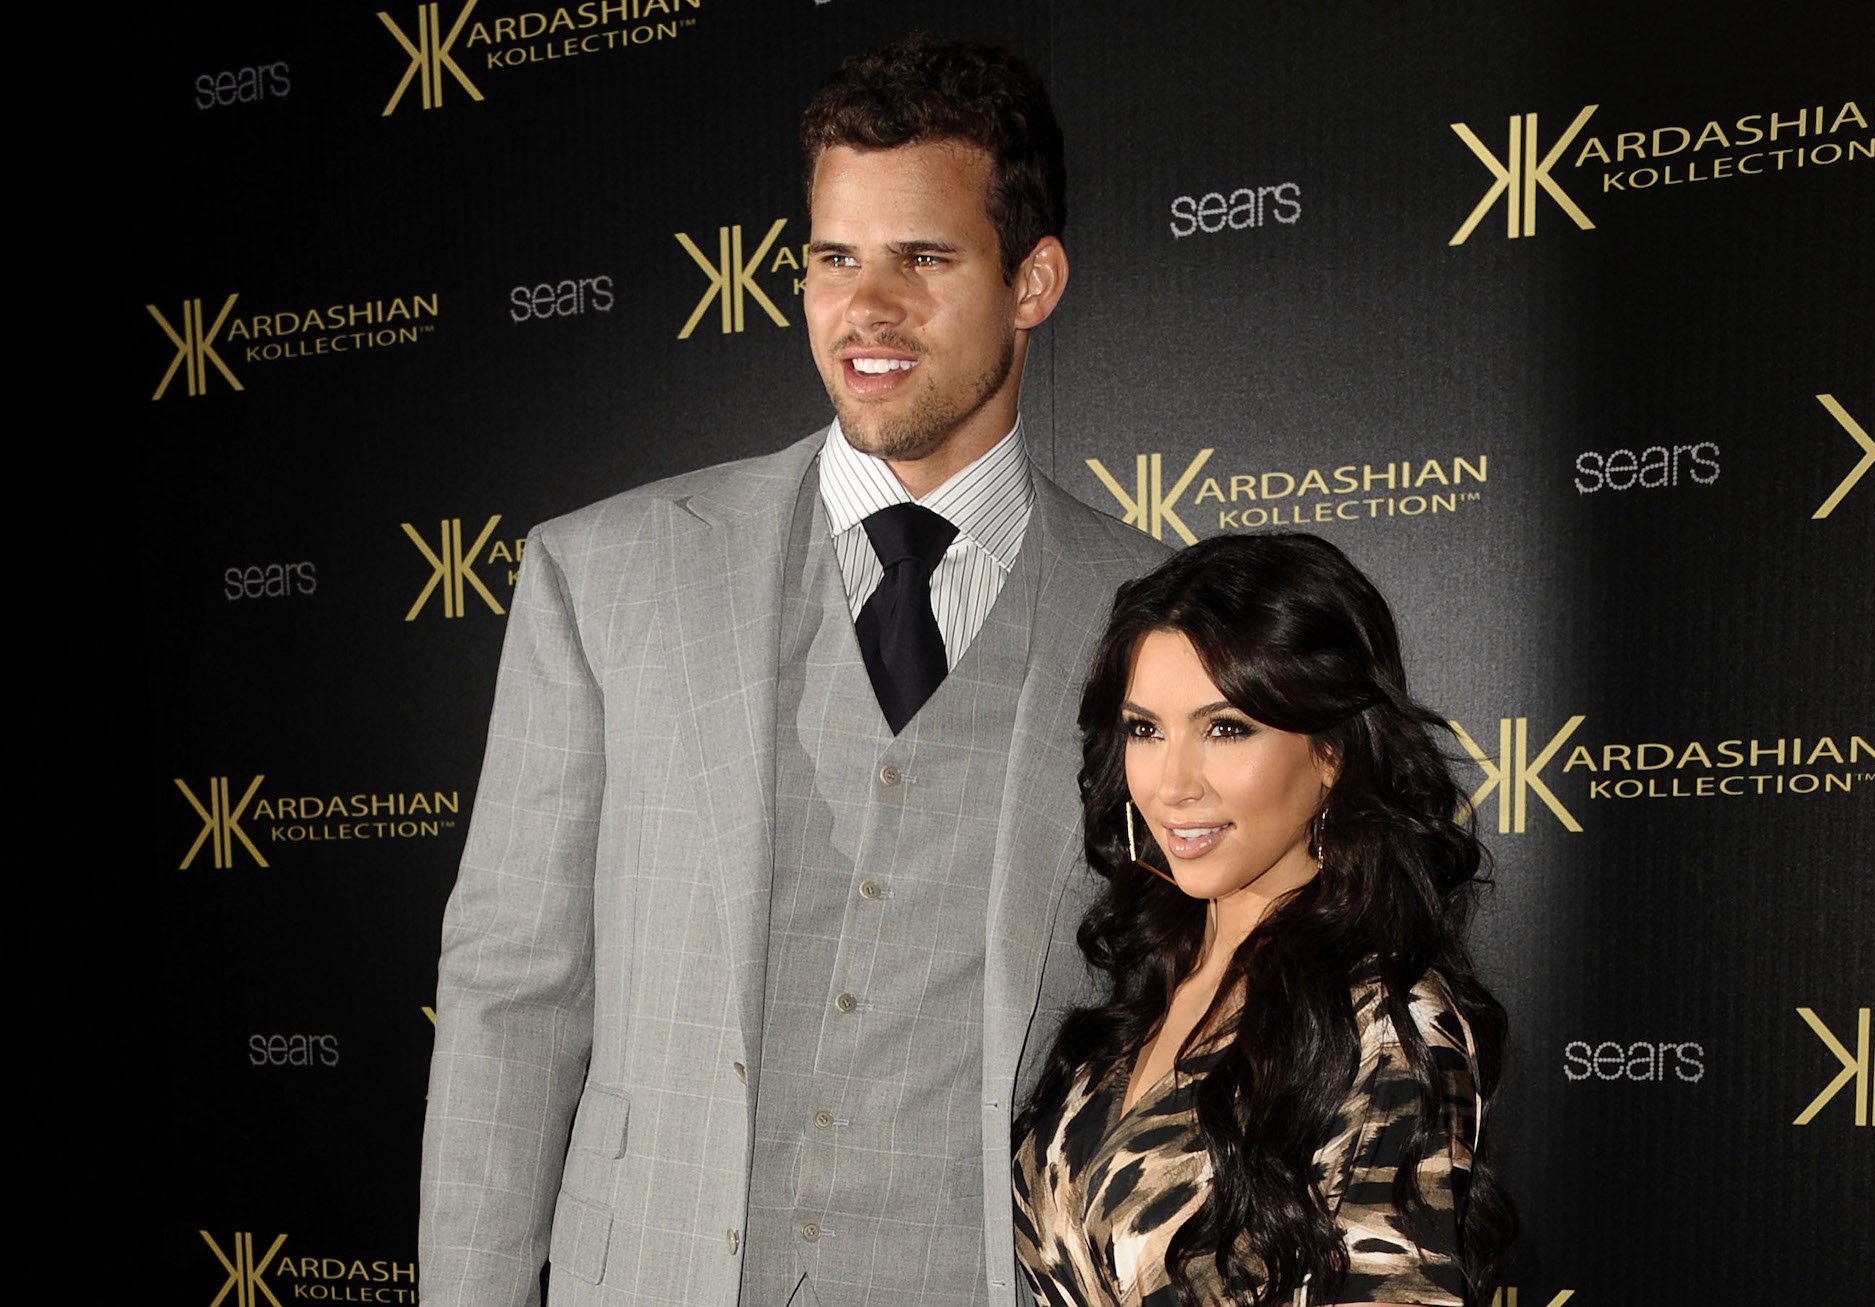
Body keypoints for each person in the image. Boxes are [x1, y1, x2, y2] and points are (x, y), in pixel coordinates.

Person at [418, 33, 1168, 1307]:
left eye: (922, 259)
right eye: (833, 258)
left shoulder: (1156, 612)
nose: (863, 309)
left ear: (1031, 279)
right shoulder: (600, 574)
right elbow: (511, 999)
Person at [1013, 533, 1511, 1307]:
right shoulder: (1157, 970)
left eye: (1226, 727)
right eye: (1146, 728)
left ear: (1332, 750)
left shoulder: (1387, 1020)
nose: (1172, 783)